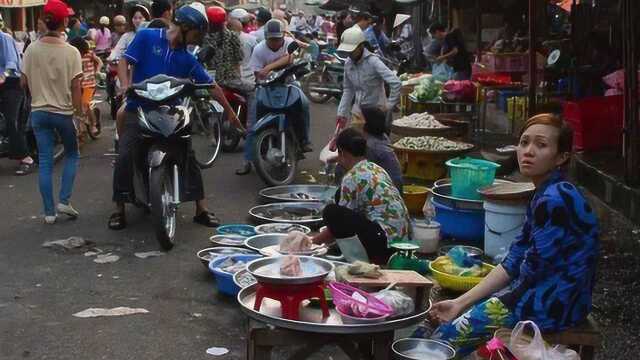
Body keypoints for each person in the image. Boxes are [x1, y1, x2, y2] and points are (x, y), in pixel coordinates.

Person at [415, 113, 600, 356]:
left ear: (562, 157)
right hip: (551, 294)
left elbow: (529, 274)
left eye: (541, 145)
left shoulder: (554, 201)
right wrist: (461, 303)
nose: (528, 151)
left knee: (441, 341)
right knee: (433, 324)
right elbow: (514, 261)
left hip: (555, 304)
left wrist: (482, 309)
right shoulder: (546, 193)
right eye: (524, 142)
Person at [108, 2, 243, 230]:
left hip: (172, 112)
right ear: (184, 27)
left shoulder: (187, 58)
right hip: (138, 107)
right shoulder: (147, 37)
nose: (196, 39)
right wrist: (125, 85)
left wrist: (231, 114)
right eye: (196, 33)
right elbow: (124, 60)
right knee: (124, 155)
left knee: (187, 153)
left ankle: (202, 209)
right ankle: (119, 209)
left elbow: (211, 86)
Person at [21, 0, 82, 224]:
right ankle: (64, 200)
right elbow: (76, 87)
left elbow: (22, 83)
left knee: (45, 161)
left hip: (38, 112)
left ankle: (48, 213)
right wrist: (79, 114)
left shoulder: (31, 49)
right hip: (63, 112)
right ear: (64, 21)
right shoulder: (72, 52)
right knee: (72, 154)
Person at [311, 128, 411, 265]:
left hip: (385, 243)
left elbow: (338, 224)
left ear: (343, 153)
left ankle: (361, 259)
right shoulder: (375, 168)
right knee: (339, 194)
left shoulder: (351, 178)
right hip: (402, 240)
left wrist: (309, 242)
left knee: (332, 212)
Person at [237, 19, 312, 175]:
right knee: (253, 120)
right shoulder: (259, 50)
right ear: (266, 37)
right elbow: (259, 74)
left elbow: (290, 58)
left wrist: (269, 67)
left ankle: (304, 139)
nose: (276, 42)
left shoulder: (289, 43)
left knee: (303, 103)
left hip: (288, 83)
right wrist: (270, 69)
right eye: (272, 39)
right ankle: (248, 160)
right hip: (265, 86)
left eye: (278, 38)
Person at [335, 26, 401, 133]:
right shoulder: (348, 63)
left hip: (377, 113)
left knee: (375, 145)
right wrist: (341, 113)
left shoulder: (373, 61)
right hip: (358, 112)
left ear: (361, 46)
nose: (350, 54)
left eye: (352, 50)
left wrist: (388, 106)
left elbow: (396, 82)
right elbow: (348, 89)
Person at [0, 24, 35, 175]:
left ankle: (26, 158)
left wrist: (3, 76)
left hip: (12, 83)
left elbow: (11, 63)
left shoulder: (5, 38)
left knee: (12, 121)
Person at [360, 106, 403, 192]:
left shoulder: (371, 146)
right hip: (396, 187)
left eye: (357, 118)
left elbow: (362, 172)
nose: (352, 121)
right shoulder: (382, 136)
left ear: (366, 124)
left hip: (388, 190)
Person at [202, 6, 244, 90]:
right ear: (224, 21)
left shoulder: (201, 37)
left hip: (207, 81)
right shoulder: (233, 36)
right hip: (230, 81)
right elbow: (238, 61)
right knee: (252, 89)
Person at [69, 37, 102, 138]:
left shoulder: (89, 54)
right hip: (77, 85)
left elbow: (99, 62)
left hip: (89, 84)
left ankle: (93, 125)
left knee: (85, 104)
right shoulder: (71, 56)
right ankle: (80, 128)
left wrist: (97, 71)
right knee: (75, 107)